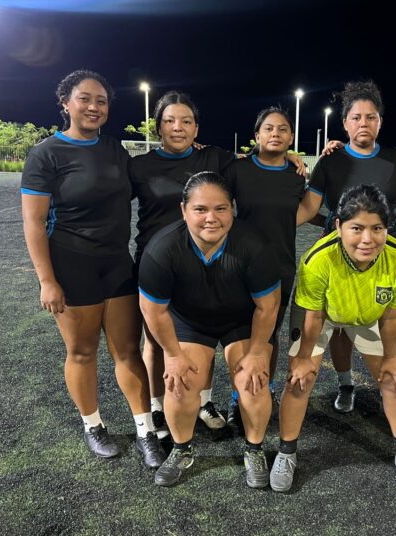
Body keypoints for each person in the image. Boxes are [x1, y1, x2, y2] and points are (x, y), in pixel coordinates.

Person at [130, 92, 305, 438]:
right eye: (169, 121)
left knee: (206, 331)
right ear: (158, 126)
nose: (178, 127)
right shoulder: (138, 166)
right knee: (157, 341)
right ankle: (157, 409)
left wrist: (287, 154)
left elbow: (256, 160)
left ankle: (206, 402)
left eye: (186, 121)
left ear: (197, 128)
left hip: (214, 257)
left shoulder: (213, 158)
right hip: (160, 260)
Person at [21, 69, 162, 469]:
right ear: (66, 103)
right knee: (82, 351)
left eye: (101, 100)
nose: (94, 107)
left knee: (128, 351)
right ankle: (94, 425)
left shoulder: (115, 149)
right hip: (71, 265)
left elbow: (150, 177)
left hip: (116, 264)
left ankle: (145, 431)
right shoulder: (46, 154)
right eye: (85, 98)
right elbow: (34, 222)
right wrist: (47, 280)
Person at [271, 184, 396, 493]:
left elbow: (392, 315)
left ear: (387, 228)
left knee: (393, 379)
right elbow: (314, 315)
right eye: (357, 228)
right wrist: (302, 358)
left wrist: (391, 357)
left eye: (377, 228)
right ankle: (286, 453)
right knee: (300, 380)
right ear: (338, 226)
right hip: (322, 312)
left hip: (371, 313)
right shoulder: (318, 260)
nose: (367, 239)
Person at [138, 172, 281, 488]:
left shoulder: (254, 245)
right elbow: (152, 310)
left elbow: (268, 307)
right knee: (181, 381)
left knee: (253, 380)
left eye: (221, 208)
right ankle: (181, 449)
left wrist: (258, 352)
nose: (211, 218)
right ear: (183, 210)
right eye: (200, 209)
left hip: (242, 319)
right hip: (190, 320)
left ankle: (254, 449)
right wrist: (172, 354)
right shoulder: (162, 249)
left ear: (233, 209)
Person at [297, 80, 396, 415]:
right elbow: (308, 208)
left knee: (384, 318)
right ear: (345, 123)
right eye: (357, 117)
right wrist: (271, 224)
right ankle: (345, 383)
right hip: (337, 256)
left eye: (371, 117)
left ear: (380, 122)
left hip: (381, 256)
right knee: (338, 326)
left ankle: (388, 372)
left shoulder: (395, 160)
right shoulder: (331, 160)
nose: (364, 123)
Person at [224, 107, 306, 429]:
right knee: (241, 335)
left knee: (269, 335)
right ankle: (237, 396)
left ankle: (265, 388)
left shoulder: (296, 175)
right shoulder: (237, 170)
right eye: (269, 128)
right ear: (257, 135)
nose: (276, 133)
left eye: (283, 129)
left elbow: (304, 210)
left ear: (291, 137)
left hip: (280, 266)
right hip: (239, 264)